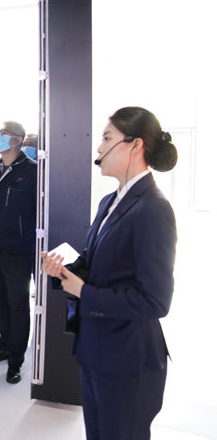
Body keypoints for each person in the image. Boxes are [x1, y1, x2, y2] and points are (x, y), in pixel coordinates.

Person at [42, 106, 177, 440]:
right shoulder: (110, 201)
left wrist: (83, 292)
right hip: (97, 349)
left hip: (128, 360)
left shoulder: (153, 209)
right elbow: (97, 263)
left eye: (107, 138)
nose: (99, 147)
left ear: (135, 145)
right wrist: (64, 270)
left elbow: (155, 301)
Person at [0, 121, 37, 384]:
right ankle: (4, 345)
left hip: (19, 249)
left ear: (17, 140)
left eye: (4, 134)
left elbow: (38, 211)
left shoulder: (32, 170)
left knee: (18, 304)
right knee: (0, 300)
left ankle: (16, 359)